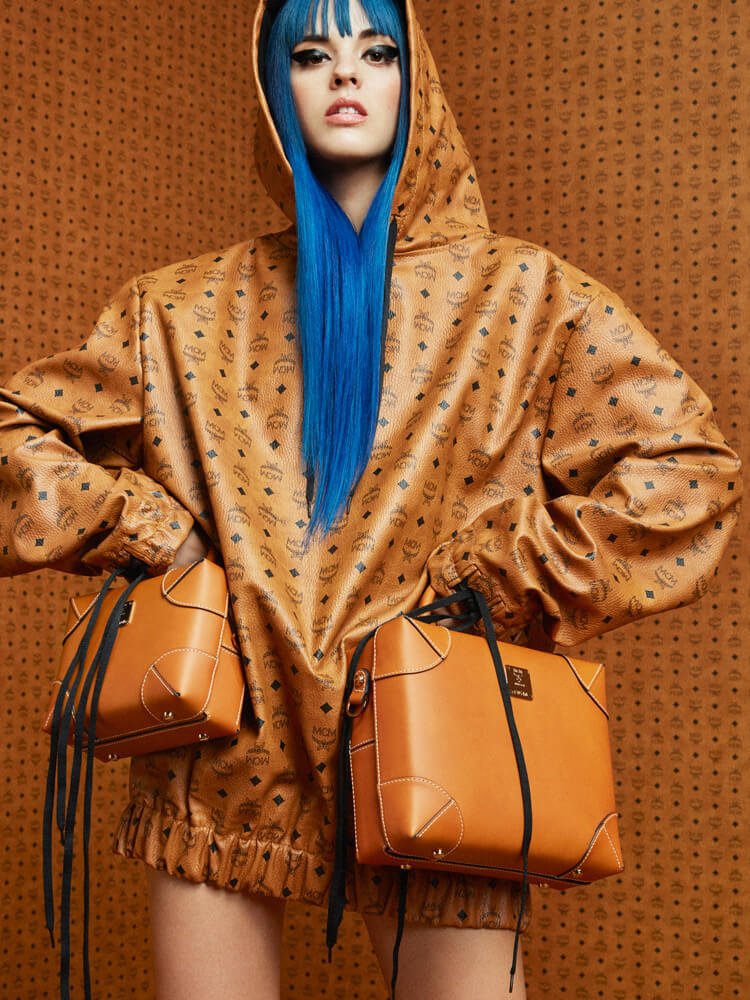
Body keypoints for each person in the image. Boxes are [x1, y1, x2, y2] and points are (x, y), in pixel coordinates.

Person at [0, 0, 741, 998]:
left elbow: (688, 473)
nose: (345, 72)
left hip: (437, 735)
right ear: (275, 90)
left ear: (414, 79)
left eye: (376, 49)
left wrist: (490, 583)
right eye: (312, 52)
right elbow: (14, 441)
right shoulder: (176, 309)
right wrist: (154, 529)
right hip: (225, 750)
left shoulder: (528, 296)